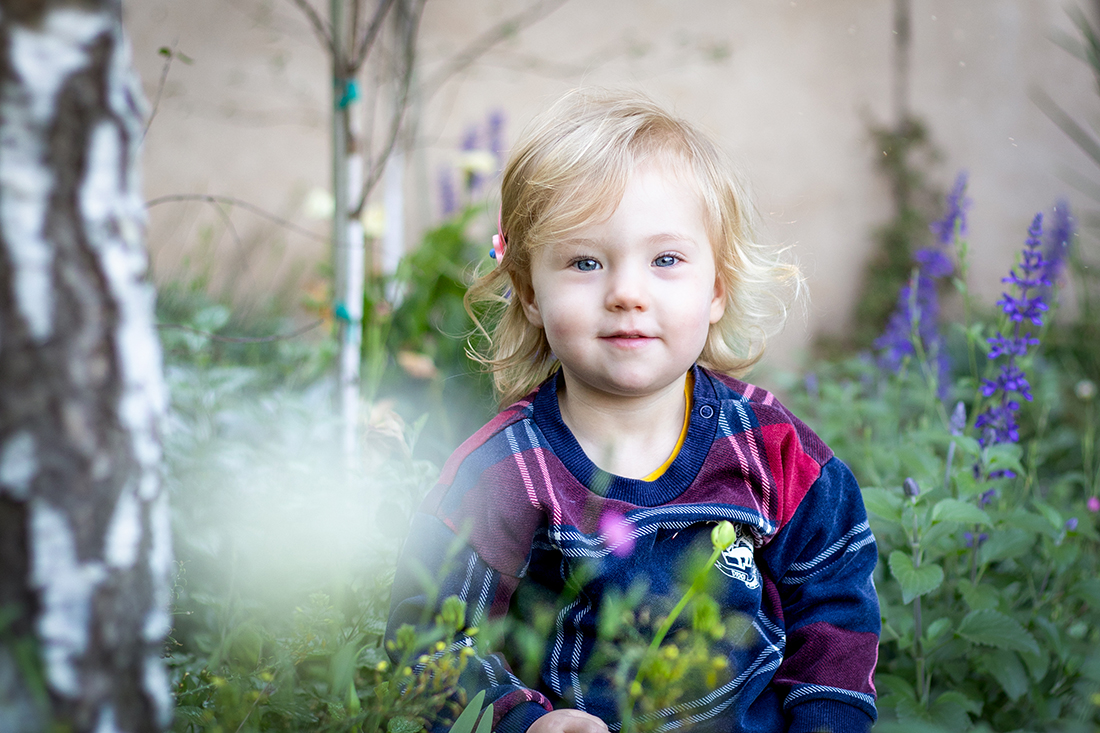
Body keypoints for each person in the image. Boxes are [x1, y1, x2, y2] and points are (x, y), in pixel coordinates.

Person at [386, 89, 879, 733]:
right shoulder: (507, 472)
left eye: (666, 260)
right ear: (531, 293)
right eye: (585, 262)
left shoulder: (771, 448)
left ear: (716, 289)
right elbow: (430, 643)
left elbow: (835, 602)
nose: (626, 293)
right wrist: (522, 723)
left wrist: (824, 721)